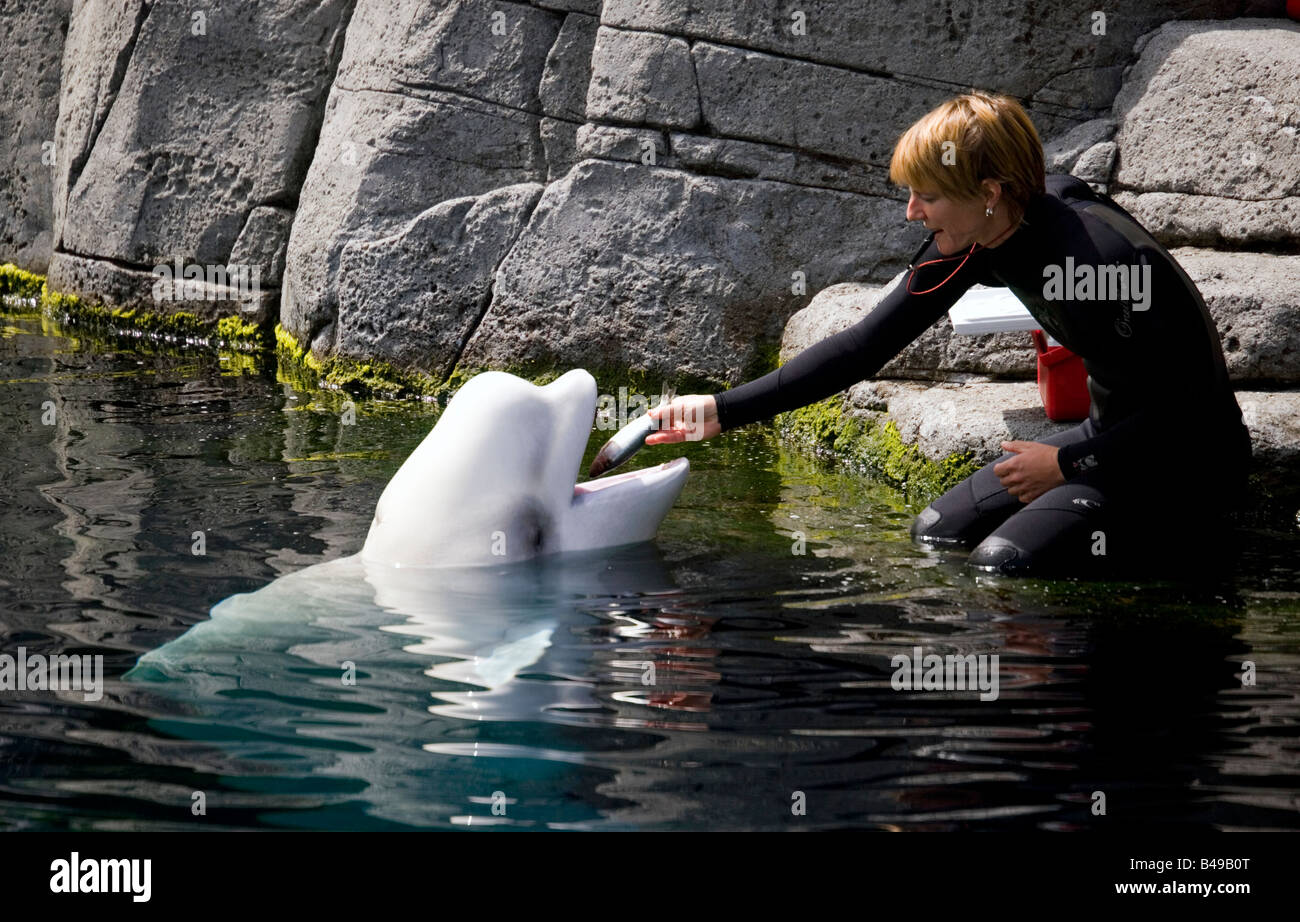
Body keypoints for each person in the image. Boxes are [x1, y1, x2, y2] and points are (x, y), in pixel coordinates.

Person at [645, 91, 1252, 576]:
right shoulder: (988, 233)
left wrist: (1067, 463)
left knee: (1000, 564)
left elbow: (1188, 411)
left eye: (926, 196)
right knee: (936, 532)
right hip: (1106, 439)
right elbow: (863, 347)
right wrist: (720, 411)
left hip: (1182, 461)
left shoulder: (1097, 263)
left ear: (987, 194)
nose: (912, 212)